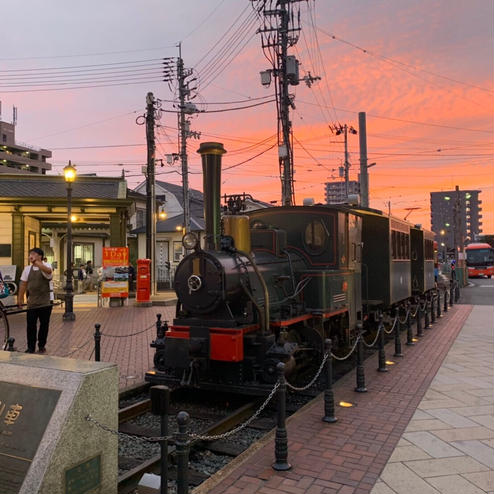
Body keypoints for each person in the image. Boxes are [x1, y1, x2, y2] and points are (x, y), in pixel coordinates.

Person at [17, 247, 53, 354]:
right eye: (29, 254)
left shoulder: (46, 265)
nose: (30, 256)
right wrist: (20, 298)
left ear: (40, 256)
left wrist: (38, 263)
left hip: (45, 301)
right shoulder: (27, 269)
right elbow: (23, 284)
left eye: (32, 254)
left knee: (44, 324)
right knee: (31, 325)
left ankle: (41, 345)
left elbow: (48, 272)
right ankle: (30, 347)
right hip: (32, 302)